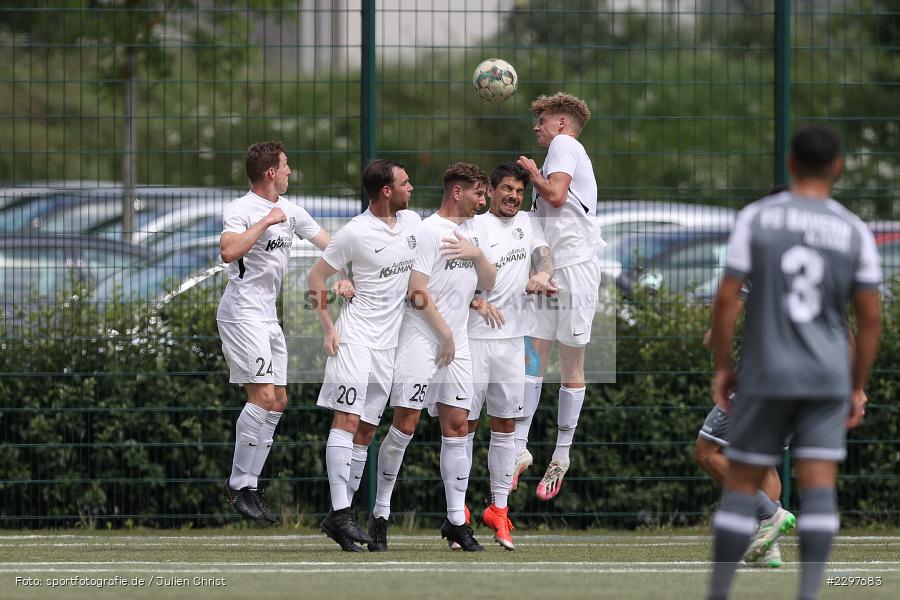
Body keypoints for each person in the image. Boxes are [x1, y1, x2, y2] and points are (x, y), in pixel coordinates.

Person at [706, 125, 881, 600]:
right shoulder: (853, 229)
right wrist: (856, 384)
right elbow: (869, 319)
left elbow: (727, 300)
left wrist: (723, 366)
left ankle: (719, 592)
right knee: (819, 486)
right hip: (827, 375)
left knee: (741, 483)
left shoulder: (758, 218)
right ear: (837, 167)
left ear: (790, 164)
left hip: (768, 371)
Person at [368, 162, 497, 552]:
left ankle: (456, 521)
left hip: (456, 345)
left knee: (458, 428)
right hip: (423, 340)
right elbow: (417, 291)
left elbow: (489, 283)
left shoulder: (475, 231)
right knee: (405, 425)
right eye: (478, 193)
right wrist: (444, 334)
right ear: (457, 192)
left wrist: (477, 254)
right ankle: (380, 514)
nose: (483, 201)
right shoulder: (428, 231)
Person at [218, 141, 335, 524]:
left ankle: (250, 485)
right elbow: (228, 251)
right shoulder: (241, 209)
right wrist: (266, 221)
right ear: (271, 172)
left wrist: (351, 269)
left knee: (279, 400)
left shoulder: (292, 210)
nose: (289, 171)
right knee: (263, 396)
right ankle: (238, 485)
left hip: (268, 317)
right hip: (242, 314)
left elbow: (330, 245)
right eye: (285, 166)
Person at [307, 159, 418, 552]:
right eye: (405, 183)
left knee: (366, 431)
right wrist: (328, 328)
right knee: (347, 419)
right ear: (386, 191)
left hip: (388, 347)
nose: (411, 188)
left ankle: (339, 520)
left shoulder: (413, 223)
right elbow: (315, 277)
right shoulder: (354, 231)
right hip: (354, 338)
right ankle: (341, 512)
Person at [462, 163, 555, 550]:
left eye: (518, 190)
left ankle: (498, 511)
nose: (513, 196)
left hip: (512, 342)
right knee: (463, 427)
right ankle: (457, 514)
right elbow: (452, 278)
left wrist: (543, 275)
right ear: (490, 191)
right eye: (506, 189)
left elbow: (543, 256)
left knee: (505, 428)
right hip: (471, 340)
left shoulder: (530, 224)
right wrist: (475, 300)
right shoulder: (474, 226)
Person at [515, 92, 603, 500]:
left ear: (562, 124)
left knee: (571, 363)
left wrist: (533, 173)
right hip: (549, 273)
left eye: (544, 120)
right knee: (532, 358)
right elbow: (544, 217)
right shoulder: (556, 153)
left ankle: (561, 454)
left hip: (577, 269)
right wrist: (539, 269)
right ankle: (519, 447)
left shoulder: (564, 145)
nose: (538, 127)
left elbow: (556, 195)